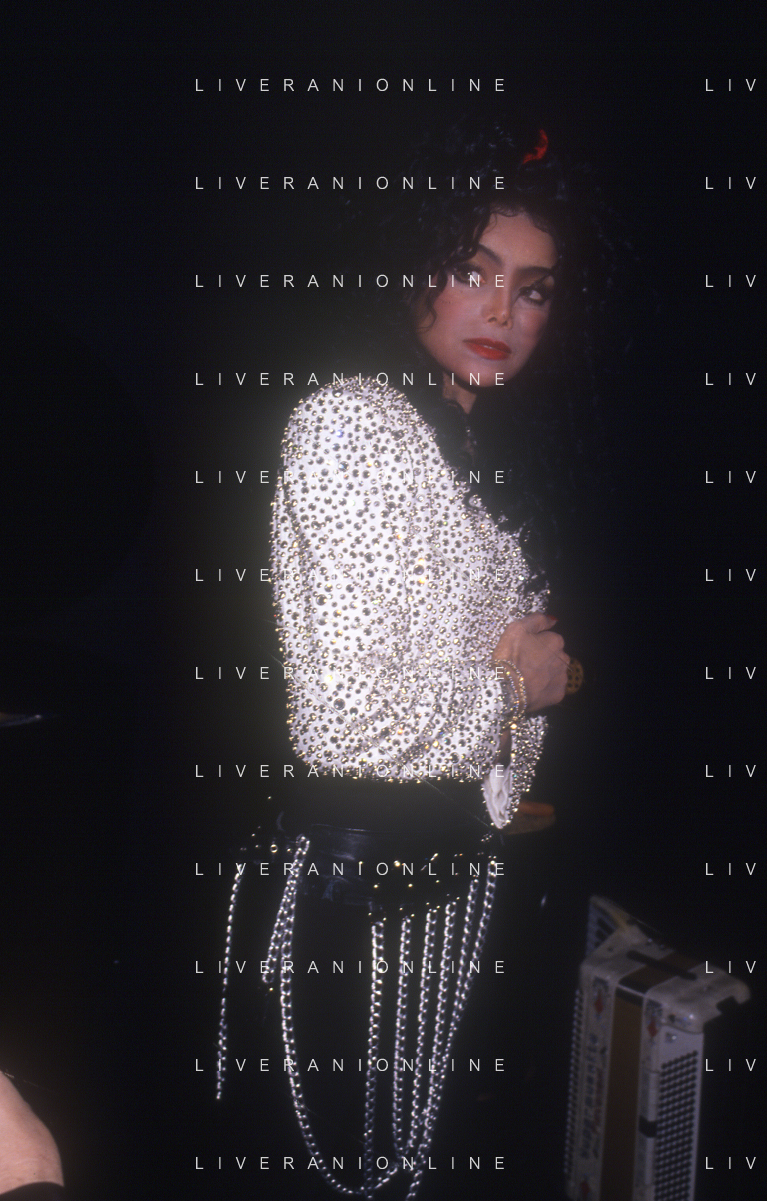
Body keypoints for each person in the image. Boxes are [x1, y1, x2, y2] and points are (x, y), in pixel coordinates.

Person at [222, 116, 608, 1199]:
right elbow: (344, 723)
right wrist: (515, 688)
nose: (501, 310)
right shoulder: (355, 423)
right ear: (409, 275)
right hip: (350, 900)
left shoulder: (480, 446)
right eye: (471, 271)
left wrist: (520, 715)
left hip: (444, 887)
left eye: (532, 289)